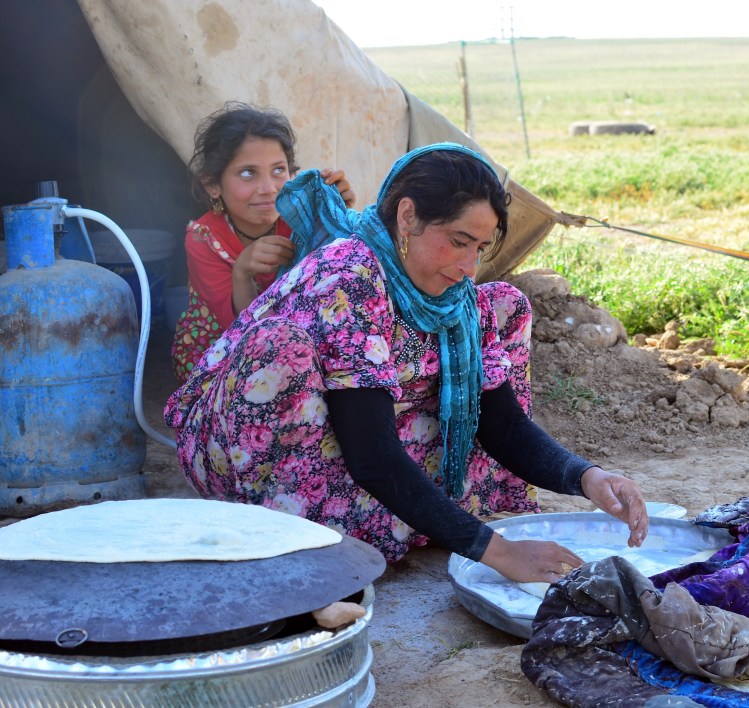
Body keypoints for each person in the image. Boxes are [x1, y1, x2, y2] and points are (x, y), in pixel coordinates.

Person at [165, 143, 649, 584]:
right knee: (280, 347)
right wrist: (499, 553)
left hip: (356, 428)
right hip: (240, 447)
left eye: (479, 248)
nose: (469, 266)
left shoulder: (455, 298)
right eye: (458, 240)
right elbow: (372, 455)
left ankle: (392, 517)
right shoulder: (350, 276)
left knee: (502, 303)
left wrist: (588, 477)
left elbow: (499, 423)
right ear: (408, 216)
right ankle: (293, 524)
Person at [170, 102, 356, 382]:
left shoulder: (301, 220)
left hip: (297, 343)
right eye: (248, 173)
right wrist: (242, 273)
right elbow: (241, 335)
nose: (268, 189)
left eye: (278, 170)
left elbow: (339, 275)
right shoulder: (203, 238)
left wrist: (338, 215)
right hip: (223, 354)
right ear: (212, 185)